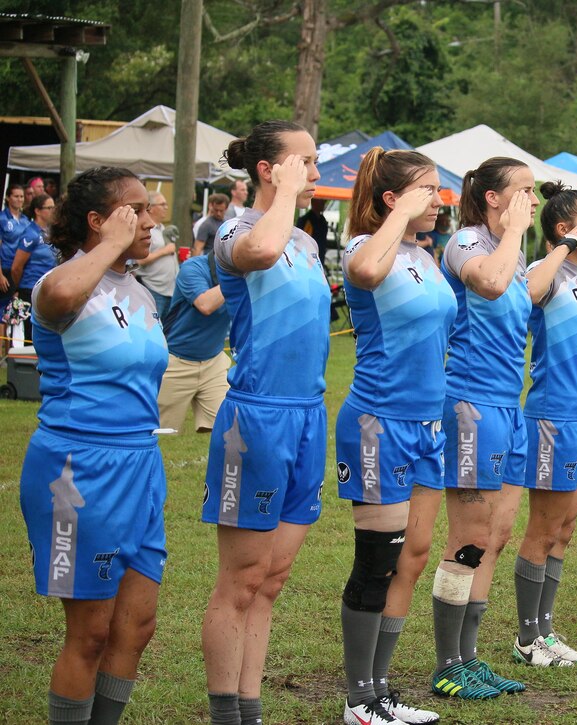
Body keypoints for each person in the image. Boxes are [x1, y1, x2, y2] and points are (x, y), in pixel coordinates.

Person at [19, 166, 167, 725]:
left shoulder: (138, 291)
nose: (150, 221)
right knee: (90, 634)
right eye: (136, 211)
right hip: (78, 468)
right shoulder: (63, 283)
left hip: (139, 465)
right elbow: (54, 297)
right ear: (99, 221)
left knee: (135, 626)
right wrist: (110, 245)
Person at [200, 120, 329, 725]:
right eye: (304, 161)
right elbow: (258, 252)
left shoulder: (302, 240)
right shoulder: (237, 229)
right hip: (255, 418)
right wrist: (279, 199)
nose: (315, 171)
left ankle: (249, 706)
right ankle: (227, 712)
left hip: (307, 415)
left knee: (272, 578)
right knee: (242, 578)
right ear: (267, 170)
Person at [335, 147, 453, 725]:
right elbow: (363, 274)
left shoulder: (422, 255)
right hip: (378, 423)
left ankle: (381, 690)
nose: (440, 200)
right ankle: (359, 697)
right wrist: (397, 220)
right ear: (393, 199)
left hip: (428, 423)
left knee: (414, 556)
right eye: (428, 190)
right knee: (376, 563)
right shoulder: (366, 247)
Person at [433, 157, 536, 697]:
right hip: (470, 404)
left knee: (496, 536)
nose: (533, 202)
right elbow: (490, 287)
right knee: (469, 539)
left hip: (508, 407)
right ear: (493, 198)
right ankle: (448, 664)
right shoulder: (468, 243)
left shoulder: (513, 253)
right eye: (523, 191)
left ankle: (469, 658)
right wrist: (516, 234)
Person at [513, 182, 577, 664]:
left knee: (565, 528)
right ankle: (527, 638)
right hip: (553, 415)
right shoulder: (542, 270)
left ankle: (545, 633)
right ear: (565, 229)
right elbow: (528, 294)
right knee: (543, 530)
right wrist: (563, 247)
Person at [156, 253, 232, 434]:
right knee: (155, 431)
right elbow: (205, 304)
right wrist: (237, 277)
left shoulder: (245, 273)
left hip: (214, 362)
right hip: (175, 361)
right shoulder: (192, 268)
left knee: (229, 428)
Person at [10, 193, 56, 343]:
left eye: (53, 207)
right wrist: (19, 288)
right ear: (37, 211)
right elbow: (16, 267)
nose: (53, 210)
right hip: (30, 288)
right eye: (49, 208)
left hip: (48, 287)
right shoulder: (30, 233)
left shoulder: (51, 232)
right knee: (32, 332)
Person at [135, 192, 179, 320]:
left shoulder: (163, 229)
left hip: (169, 289)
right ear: (151, 208)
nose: (166, 207)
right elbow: (139, 260)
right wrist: (164, 251)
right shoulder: (145, 231)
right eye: (162, 204)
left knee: (165, 331)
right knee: (152, 326)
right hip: (153, 288)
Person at [1, 184, 29, 310]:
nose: (19, 199)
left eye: (21, 196)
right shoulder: (2, 218)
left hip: (21, 270)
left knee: (16, 309)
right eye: (16, 196)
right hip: (5, 269)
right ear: (8, 198)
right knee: (3, 309)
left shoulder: (26, 220)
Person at [296, 197, 330, 270]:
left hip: (319, 257)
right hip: (307, 260)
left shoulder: (322, 220)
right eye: (321, 200)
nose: (324, 203)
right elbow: (303, 243)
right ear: (313, 202)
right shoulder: (305, 220)